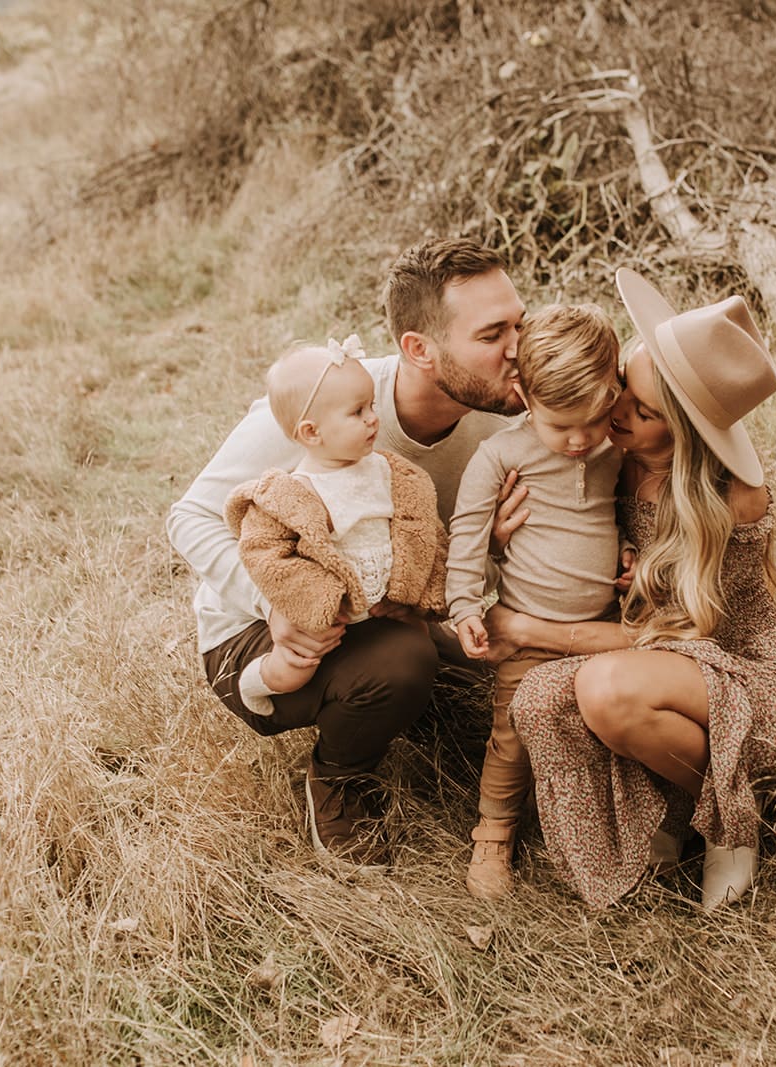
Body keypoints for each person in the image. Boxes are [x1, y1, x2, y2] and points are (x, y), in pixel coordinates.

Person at [166, 239, 528, 869]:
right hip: (264, 635)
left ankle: (410, 715)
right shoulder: (328, 402)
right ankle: (339, 777)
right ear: (419, 348)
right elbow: (189, 517)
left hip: (387, 611)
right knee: (406, 659)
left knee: (508, 676)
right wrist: (275, 606)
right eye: (493, 333)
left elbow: (453, 566)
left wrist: (492, 551)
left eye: (520, 324)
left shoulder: (503, 429)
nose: (518, 348)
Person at [503, 269, 776, 910]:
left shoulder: (733, 501)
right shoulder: (607, 456)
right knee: (539, 699)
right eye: (624, 388)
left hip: (742, 675)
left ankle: (731, 823)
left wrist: (535, 631)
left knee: (606, 689)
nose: (614, 412)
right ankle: (670, 811)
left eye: (642, 412)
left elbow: (680, 636)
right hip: (657, 664)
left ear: (685, 433)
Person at [444, 304, 626, 900]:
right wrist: (466, 607)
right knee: (512, 731)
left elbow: (627, 515)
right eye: (560, 426)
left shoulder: (615, 449)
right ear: (523, 393)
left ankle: (604, 822)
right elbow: (468, 535)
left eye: (593, 421)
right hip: (528, 626)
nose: (578, 441)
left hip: (607, 622)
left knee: (599, 726)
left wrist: (632, 554)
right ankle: (493, 834)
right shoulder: (501, 456)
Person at [224, 337, 448, 706]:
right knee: (298, 668)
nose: (373, 418)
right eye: (357, 412)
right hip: (329, 614)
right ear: (312, 432)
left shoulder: (390, 472)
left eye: (372, 405)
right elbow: (263, 552)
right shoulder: (294, 492)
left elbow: (421, 526)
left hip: (383, 603)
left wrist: (418, 591)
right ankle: (260, 679)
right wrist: (312, 599)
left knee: (425, 640)